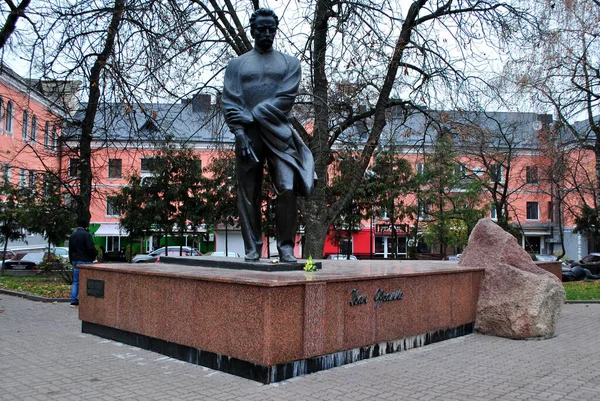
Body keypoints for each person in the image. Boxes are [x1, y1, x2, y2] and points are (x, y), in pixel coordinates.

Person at [222, 8, 315, 263]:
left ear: (275, 31)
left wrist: (253, 115)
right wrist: (240, 131)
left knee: (287, 188)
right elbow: (230, 101)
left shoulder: (290, 64)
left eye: (271, 29)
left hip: (277, 133)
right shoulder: (237, 65)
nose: (266, 33)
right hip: (248, 137)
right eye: (261, 29)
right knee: (248, 193)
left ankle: (286, 247)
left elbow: (284, 100)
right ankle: (253, 247)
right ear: (252, 30)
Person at [68, 218, 97, 308]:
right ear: (86, 226)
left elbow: (70, 250)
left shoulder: (73, 235)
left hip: (75, 260)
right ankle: (86, 300)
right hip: (85, 260)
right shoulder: (87, 235)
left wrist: (71, 260)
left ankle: (73, 301)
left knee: (76, 281)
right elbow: (90, 248)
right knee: (87, 281)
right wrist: (94, 256)